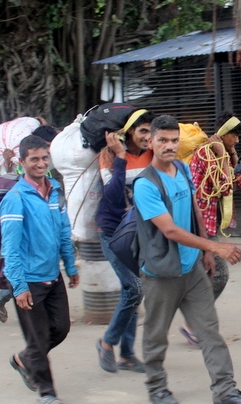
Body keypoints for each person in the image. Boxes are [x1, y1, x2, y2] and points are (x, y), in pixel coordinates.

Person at [134, 114, 241, 404]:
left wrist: (205, 250)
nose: (169, 145)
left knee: (209, 332)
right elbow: (171, 231)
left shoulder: (181, 168)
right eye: (162, 140)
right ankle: (157, 389)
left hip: (192, 270)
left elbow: (196, 209)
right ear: (150, 142)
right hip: (161, 274)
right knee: (156, 336)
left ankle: (225, 391)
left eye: (174, 140)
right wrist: (217, 248)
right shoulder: (145, 184)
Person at [0, 135, 79, 404]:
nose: (41, 163)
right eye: (34, 159)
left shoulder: (55, 190)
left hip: (53, 276)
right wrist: (19, 287)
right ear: (22, 162)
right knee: (38, 339)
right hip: (29, 281)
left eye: (45, 158)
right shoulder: (15, 199)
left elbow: (64, 231)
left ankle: (24, 359)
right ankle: (47, 393)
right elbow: (9, 248)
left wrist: (69, 265)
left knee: (61, 329)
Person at [94, 109, 155, 373]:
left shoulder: (153, 154)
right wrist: (120, 158)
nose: (148, 137)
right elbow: (113, 198)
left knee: (130, 291)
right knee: (134, 289)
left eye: (151, 132)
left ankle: (127, 355)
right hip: (111, 231)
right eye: (143, 131)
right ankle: (107, 343)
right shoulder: (107, 156)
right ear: (130, 131)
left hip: (137, 232)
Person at [182, 111, 241, 346]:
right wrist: (222, 155)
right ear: (223, 133)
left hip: (209, 223)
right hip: (199, 223)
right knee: (218, 274)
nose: (237, 141)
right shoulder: (205, 153)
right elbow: (225, 187)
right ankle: (193, 325)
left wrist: (230, 155)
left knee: (205, 274)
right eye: (234, 137)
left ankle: (195, 323)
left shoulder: (222, 154)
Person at [0, 123, 61, 324]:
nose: (44, 160)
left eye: (45, 155)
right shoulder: (20, 168)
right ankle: (7, 295)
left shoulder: (39, 163)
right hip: (24, 211)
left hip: (38, 207)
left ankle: (6, 296)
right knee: (24, 259)